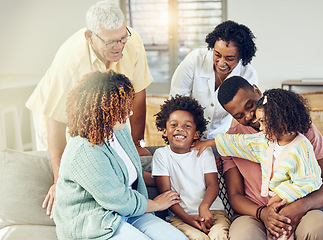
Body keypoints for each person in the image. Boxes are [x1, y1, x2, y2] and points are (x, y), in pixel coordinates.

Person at [26, 1, 153, 219]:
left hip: (107, 107)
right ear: (89, 36)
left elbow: (138, 91)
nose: (119, 46)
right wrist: (59, 180)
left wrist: (136, 143)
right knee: (76, 167)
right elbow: (56, 122)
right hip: (59, 112)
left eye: (123, 38)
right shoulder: (70, 63)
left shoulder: (132, 41)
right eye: (112, 42)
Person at [53, 70, 188, 240]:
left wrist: (165, 179)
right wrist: (156, 204)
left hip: (128, 211)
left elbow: (131, 172)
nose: (130, 112)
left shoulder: (119, 129)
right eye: (122, 108)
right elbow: (117, 199)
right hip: (95, 220)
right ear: (102, 111)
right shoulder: (85, 150)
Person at [194, 76, 323, 240]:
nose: (249, 116)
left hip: (300, 207)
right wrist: (262, 213)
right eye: (239, 115)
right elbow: (235, 195)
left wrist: (300, 206)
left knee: (318, 227)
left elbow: (322, 179)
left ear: (257, 91)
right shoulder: (235, 140)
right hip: (253, 214)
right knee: (244, 236)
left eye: (250, 105)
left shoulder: (300, 128)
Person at [151, 95, 230, 240]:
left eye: (187, 126)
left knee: (219, 234)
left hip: (213, 211)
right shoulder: (161, 155)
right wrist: (187, 218)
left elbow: (213, 185)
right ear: (164, 130)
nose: (179, 129)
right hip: (179, 216)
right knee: (197, 237)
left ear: (196, 134)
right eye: (174, 125)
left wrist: (204, 207)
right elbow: (166, 193)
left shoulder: (204, 152)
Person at [170, 20, 258, 139]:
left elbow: (242, 118)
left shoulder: (247, 74)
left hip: (222, 137)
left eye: (229, 58)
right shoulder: (194, 60)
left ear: (241, 57)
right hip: (187, 135)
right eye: (217, 55)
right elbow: (176, 104)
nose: (221, 62)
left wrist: (226, 143)